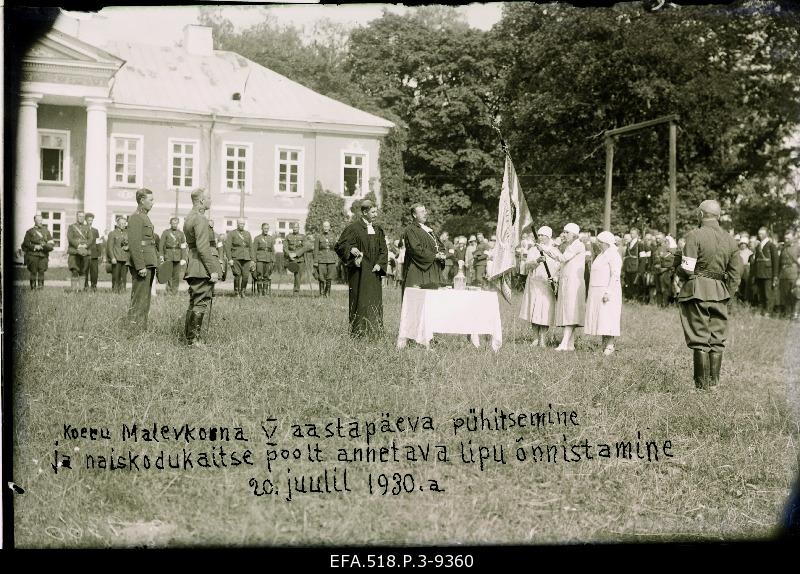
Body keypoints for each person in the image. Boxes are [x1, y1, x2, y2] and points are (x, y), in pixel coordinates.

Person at [675, 199, 741, 392]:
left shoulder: (695, 235)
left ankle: (700, 387)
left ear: (701, 214)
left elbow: (687, 269)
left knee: (699, 338)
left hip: (697, 290)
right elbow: (737, 273)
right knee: (717, 339)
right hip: (721, 292)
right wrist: (728, 292)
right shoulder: (730, 239)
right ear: (718, 216)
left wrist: (676, 267)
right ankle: (714, 386)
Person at [334, 200, 388, 338]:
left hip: (374, 272)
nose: (376, 214)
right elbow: (339, 246)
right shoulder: (353, 228)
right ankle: (359, 333)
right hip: (359, 272)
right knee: (360, 300)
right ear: (364, 212)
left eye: (376, 211)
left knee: (375, 301)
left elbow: (384, 250)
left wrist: (380, 264)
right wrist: (351, 249)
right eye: (373, 212)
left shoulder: (378, 229)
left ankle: (375, 332)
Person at [183, 189, 222, 347]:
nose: (211, 201)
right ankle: (194, 340)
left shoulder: (190, 217)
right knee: (201, 302)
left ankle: (189, 338)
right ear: (200, 201)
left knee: (194, 301)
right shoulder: (199, 219)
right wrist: (212, 269)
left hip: (194, 263)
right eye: (208, 198)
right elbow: (203, 247)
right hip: (201, 265)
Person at [540, 223, 586, 351]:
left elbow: (563, 258)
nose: (564, 234)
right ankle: (570, 344)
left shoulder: (578, 245)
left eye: (566, 232)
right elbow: (564, 265)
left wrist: (548, 249)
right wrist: (556, 277)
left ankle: (565, 343)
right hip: (567, 282)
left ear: (574, 234)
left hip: (574, 283)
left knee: (571, 311)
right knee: (567, 310)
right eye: (564, 232)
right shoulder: (571, 246)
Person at [518, 226, 560, 347]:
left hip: (547, 284)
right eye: (539, 235)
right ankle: (535, 337)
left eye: (543, 235)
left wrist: (555, 278)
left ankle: (543, 338)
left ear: (549, 237)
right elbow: (527, 266)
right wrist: (537, 261)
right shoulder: (533, 250)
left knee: (545, 311)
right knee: (534, 310)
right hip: (534, 283)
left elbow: (559, 266)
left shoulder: (554, 250)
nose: (540, 237)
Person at [584, 231, 623, 355]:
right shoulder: (602, 254)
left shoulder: (614, 255)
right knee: (601, 318)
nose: (598, 244)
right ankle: (604, 344)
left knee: (609, 317)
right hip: (597, 290)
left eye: (600, 242)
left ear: (606, 243)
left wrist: (608, 292)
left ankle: (610, 345)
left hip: (608, 290)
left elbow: (615, 274)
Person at [126, 188, 159, 333]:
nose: (153, 202)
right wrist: (140, 266)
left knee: (145, 299)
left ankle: (141, 329)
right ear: (141, 200)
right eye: (150, 200)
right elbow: (134, 243)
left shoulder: (145, 217)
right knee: (139, 299)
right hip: (142, 265)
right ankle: (133, 331)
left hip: (149, 262)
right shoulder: (136, 217)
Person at [401, 204, 445, 295]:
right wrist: (434, 256)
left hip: (433, 269)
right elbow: (415, 249)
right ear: (414, 215)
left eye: (425, 211)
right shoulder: (410, 230)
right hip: (419, 270)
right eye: (422, 212)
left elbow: (440, 245)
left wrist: (442, 253)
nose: (425, 214)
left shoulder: (429, 230)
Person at [21, 214, 55, 290]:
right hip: (33, 255)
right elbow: (25, 243)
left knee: (41, 271)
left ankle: (40, 288)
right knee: (33, 271)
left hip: (43, 255)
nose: (40, 222)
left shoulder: (46, 231)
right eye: (38, 220)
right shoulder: (30, 232)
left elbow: (51, 242)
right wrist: (34, 247)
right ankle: (33, 288)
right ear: (35, 221)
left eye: (41, 220)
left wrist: (45, 246)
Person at [752, 226, 779, 317]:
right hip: (759, 273)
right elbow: (756, 261)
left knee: (768, 294)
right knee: (761, 293)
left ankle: (768, 311)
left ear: (766, 234)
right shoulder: (758, 246)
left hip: (768, 273)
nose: (759, 235)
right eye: (759, 233)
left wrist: (775, 275)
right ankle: (762, 309)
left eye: (762, 233)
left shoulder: (771, 245)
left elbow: (775, 261)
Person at [159, 217, 188, 295]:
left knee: (176, 275)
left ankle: (174, 291)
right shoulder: (166, 232)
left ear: (178, 224)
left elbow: (183, 246)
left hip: (177, 256)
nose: (174, 225)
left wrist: (183, 258)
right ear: (170, 223)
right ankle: (168, 291)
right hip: (168, 255)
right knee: (168, 274)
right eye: (173, 223)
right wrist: (161, 255)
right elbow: (161, 245)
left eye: (176, 223)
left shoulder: (181, 233)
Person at [225, 219, 253, 298]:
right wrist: (230, 259)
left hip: (246, 258)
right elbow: (227, 247)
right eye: (240, 223)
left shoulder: (247, 234)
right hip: (236, 257)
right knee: (237, 275)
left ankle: (243, 292)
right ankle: (236, 292)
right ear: (237, 224)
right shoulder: (232, 233)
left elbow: (251, 247)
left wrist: (253, 259)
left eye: (243, 224)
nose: (242, 225)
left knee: (246, 276)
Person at [66, 210, 91, 292]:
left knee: (83, 271)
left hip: (85, 252)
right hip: (74, 252)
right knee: (75, 271)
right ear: (76, 217)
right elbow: (70, 238)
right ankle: (73, 290)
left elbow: (91, 238)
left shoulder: (87, 228)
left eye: (83, 216)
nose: (81, 218)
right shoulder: (71, 227)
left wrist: (86, 245)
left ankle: (80, 289)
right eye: (79, 216)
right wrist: (78, 245)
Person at [778, 230, 799, 319]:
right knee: (785, 295)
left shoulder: (798, 247)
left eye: (789, 238)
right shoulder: (783, 248)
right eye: (786, 238)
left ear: (793, 237)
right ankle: (787, 313)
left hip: (794, 273)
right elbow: (780, 262)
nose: (787, 240)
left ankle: (795, 313)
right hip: (784, 274)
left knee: (795, 295)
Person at [314, 220, 338, 297]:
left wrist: (336, 259)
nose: (326, 228)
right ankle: (321, 294)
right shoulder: (318, 237)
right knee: (321, 277)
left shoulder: (333, 236)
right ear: (322, 227)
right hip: (321, 260)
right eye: (324, 226)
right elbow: (316, 250)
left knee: (329, 277)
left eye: (327, 226)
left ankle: (327, 293)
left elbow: (336, 249)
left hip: (331, 259)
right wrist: (316, 261)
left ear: (329, 227)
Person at [251, 223, 276, 296]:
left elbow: (272, 250)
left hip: (268, 259)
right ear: (262, 229)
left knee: (266, 275)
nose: (266, 230)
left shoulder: (271, 238)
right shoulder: (257, 238)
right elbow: (254, 250)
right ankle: (259, 292)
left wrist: (273, 260)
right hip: (260, 259)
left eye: (267, 228)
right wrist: (254, 260)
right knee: (259, 275)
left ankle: (265, 292)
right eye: (265, 228)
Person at [106, 215, 130, 293]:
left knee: (124, 277)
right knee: (116, 277)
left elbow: (131, 243)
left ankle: (123, 291)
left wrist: (128, 247)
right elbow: (109, 247)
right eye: (121, 223)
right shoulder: (112, 233)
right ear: (117, 224)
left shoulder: (127, 233)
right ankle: (115, 291)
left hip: (125, 258)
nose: (123, 225)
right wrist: (112, 257)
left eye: (124, 223)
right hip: (116, 259)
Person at [284, 222, 307, 293]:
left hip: (300, 259)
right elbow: (285, 247)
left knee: (299, 274)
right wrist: (289, 254)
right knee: (296, 272)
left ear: (299, 228)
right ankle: (296, 290)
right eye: (294, 227)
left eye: (296, 227)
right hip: (291, 259)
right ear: (292, 228)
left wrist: (296, 254)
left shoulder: (303, 237)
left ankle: (296, 289)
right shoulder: (288, 236)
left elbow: (305, 247)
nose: (295, 229)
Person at [82, 213, 103, 291]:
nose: (90, 221)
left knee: (94, 272)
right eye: (88, 220)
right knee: (85, 271)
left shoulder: (95, 231)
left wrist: (100, 253)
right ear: (86, 220)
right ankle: (85, 286)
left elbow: (98, 242)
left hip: (94, 255)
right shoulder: (82, 230)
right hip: (85, 254)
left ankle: (94, 286)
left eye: (91, 220)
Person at [622, 228, 640, 301]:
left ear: (637, 234)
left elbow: (641, 256)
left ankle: (634, 297)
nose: (631, 234)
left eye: (633, 233)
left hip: (635, 265)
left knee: (634, 282)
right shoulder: (629, 243)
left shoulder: (639, 243)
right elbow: (626, 255)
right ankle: (628, 297)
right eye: (631, 233)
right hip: (628, 265)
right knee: (628, 281)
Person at [736, 237, 753, 304]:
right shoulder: (738, 252)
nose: (743, 245)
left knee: (746, 284)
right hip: (739, 270)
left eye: (744, 244)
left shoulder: (749, 252)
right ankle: (739, 298)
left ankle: (746, 299)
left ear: (746, 245)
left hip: (746, 270)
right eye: (741, 244)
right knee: (739, 285)